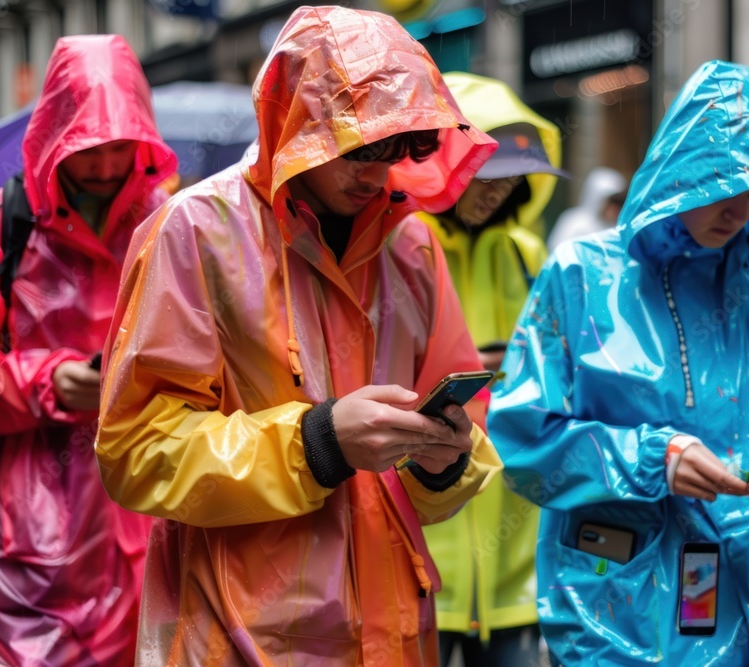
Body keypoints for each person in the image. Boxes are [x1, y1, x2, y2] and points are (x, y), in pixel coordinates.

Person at [95, 6, 502, 664]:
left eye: (399, 146)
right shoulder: (194, 232)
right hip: (240, 635)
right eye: (360, 146)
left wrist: (445, 457)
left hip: (393, 632)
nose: (378, 170)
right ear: (300, 122)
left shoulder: (412, 247)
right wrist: (317, 442)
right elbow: (136, 449)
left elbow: (457, 431)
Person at [487, 61, 749, 666]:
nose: (740, 209)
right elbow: (523, 438)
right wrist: (651, 459)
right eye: (724, 184)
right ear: (682, 170)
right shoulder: (580, 272)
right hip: (616, 615)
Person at [0, 35, 176, 664]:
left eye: (118, 146)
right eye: (87, 148)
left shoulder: (170, 227)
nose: (106, 166)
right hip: (32, 540)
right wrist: (49, 382)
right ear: (56, 135)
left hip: (152, 519)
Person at [419, 72, 567, 666]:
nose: (497, 191)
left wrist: (530, 365)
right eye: (485, 174)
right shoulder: (402, 246)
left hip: (516, 547)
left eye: (513, 179)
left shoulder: (530, 256)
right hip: (426, 541)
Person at [546, 166, 626, 252]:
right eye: (612, 201)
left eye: (619, 202)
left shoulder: (618, 229)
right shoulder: (574, 222)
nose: (615, 208)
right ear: (596, 198)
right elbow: (556, 251)